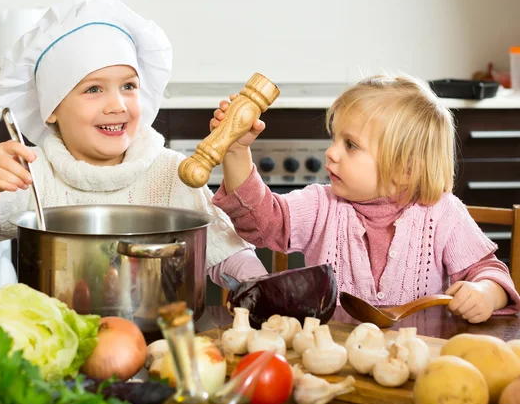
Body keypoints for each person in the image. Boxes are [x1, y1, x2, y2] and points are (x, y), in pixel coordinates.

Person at [0, 0, 267, 288]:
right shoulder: (32, 175)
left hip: (159, 340)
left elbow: (225, 253)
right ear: (51, 109)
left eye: (128, 86)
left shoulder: (172, 172)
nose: (117, 105)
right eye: (93, 89)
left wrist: (261, 287)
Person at [211, 73, 520, 322]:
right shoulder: (322, 206)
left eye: (351, 145)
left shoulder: (444, 214)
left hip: (421, 364)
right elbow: (260, 220)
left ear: (405, 169)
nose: (330, 153)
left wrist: (485, 294)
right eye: (334, 139)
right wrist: (236, 151)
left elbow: (489, 272)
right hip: (331, 361)